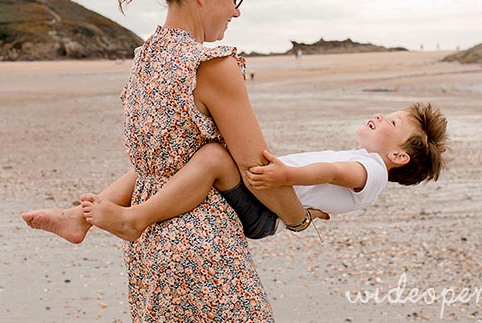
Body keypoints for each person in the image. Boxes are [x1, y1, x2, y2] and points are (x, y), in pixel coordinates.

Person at [28, 0, 305, 323]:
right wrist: (298, 218)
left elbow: (152, 163)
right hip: (202, 246)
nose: (237, 11)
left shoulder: (146, 59)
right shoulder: (211, 63)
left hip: (151, 251)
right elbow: (258, 168)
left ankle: (77, 219)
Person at [24, 102, 447, 244]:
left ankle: (137, 218)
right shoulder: (366, 159)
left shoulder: (370, 170)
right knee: (171, 160)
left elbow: (334, 172)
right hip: (268, 200)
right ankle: (78, 219)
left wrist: (286, 178)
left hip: (264, 213)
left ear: (399, 158)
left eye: (391, 122)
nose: (380, 116)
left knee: (211, 157)